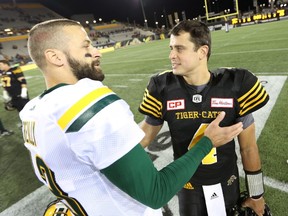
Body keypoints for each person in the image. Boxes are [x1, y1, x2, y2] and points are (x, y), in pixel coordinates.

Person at [19, 19, 243, 216]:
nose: (97, 52)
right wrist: (207, 142)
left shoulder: (33, 111)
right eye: (86, 46)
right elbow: (157, 193)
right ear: (55, 57)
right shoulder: (84, 100)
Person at [138, 20, 269, 216]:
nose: (171, 55)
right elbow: (143, 137)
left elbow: (248, 147)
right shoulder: (163, 87)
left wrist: (256, 195)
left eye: (179, 48)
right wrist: (110, 157)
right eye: (171, 48)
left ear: (202, 52)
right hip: (187, 183)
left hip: (227, 181)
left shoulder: (235, 86)